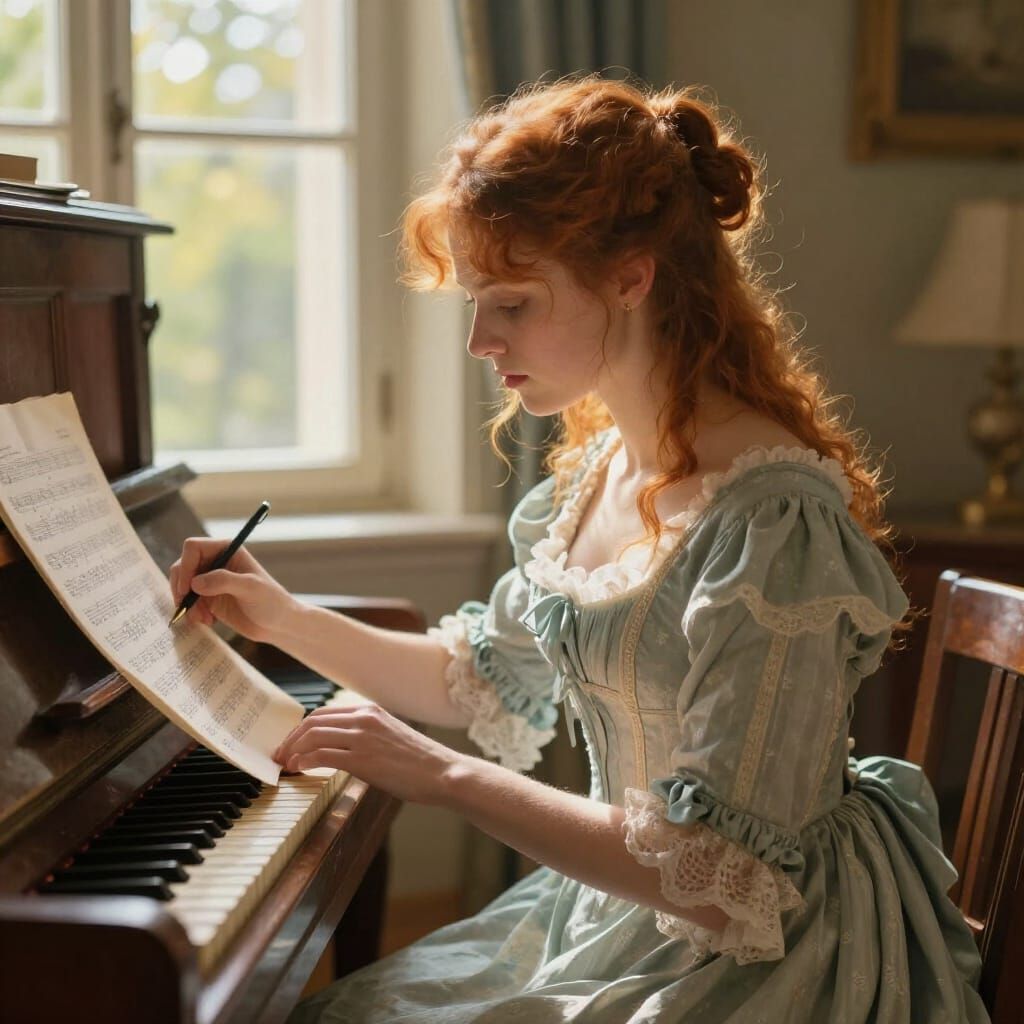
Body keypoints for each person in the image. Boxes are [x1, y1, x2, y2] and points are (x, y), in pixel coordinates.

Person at [169, 75, 991, 1022]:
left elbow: (722, 878)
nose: (481, 339)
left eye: (512, 302)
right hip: (617, 908)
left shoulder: (774, 525)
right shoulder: (597, 473)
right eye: (478, 303)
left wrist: (440, 776)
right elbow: (470, 677)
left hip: (768, 956)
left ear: (631, 277)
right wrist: (279, 617)